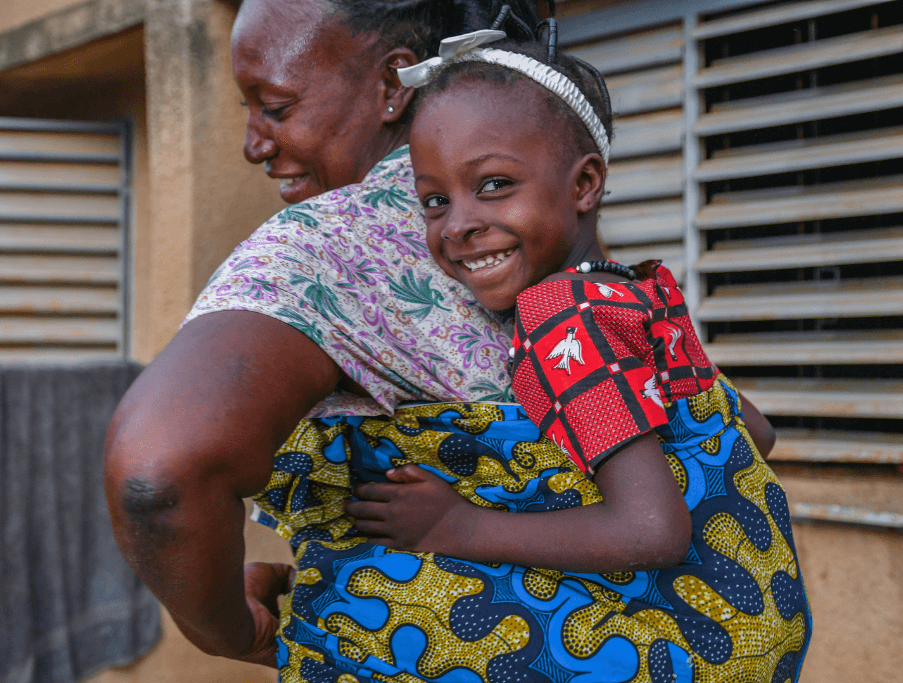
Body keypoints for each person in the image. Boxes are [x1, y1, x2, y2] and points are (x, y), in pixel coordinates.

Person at [103, 1, 783, 681]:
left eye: (275, 106)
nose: (253, 142)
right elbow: (743, 432)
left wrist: (225, 626)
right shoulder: (604, 276)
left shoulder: (357, 258)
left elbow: (155, 474)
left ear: (396, 81)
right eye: (435, 201)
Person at [339, 34, 813, 681]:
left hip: (690, 645)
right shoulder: (634, 289)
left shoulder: (560, 314)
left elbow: (653, 531)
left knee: (362, 600)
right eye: (434, 200)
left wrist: (458, 525)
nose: (457, 225)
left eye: (494, 184)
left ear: (585, 183)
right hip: (766, 617)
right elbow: (755, 431)